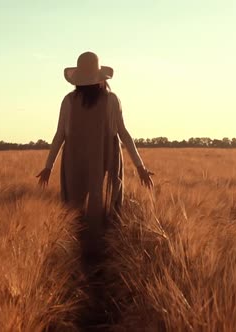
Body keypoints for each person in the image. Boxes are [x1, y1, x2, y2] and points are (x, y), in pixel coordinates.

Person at [35, 51, 154, 258]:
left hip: (75, 159)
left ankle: (78, 256)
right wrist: (140, 167)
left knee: (75, 209)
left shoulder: (69, 101)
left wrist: (48, 166)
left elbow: (60, 135)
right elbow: (123, 133)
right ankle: (102, 256)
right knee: (105, 207)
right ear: (100, 77)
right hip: (105, 159)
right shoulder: (111, 100)